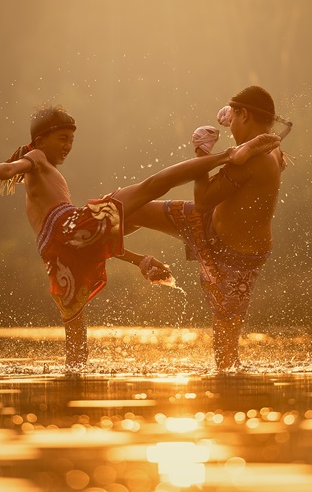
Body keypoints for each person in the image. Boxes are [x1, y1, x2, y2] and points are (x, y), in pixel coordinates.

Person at [0, 104, 281, 371]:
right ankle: (225, 155)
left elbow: (89, 243)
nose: (67, 146)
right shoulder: (35, 159)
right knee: (152, 186)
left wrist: (139, 261)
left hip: (59, 255)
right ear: (39, 141)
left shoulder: (39, 179)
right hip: (70, 227)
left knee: (76, 348)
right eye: (62, 139)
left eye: (71, 140)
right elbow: (8, 169)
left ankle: (72, 393)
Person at [125, 86, 291, 371]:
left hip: (235, 258)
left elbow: (201, 201)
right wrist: (238, 128)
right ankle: (92, 237)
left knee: (226, 355)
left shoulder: (256, 158)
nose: (229, 125)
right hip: (209, 224)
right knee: (132, 209)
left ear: (245, 115)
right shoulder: (272, 147)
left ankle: (231, 399)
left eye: (234, 116)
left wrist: (202, 153)